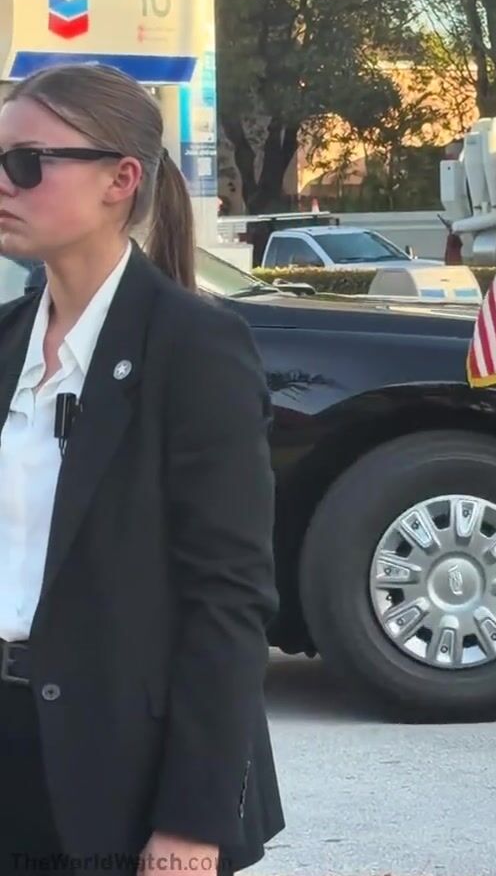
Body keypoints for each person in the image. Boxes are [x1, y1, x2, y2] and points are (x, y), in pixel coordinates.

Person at [0, 63, 285, 874]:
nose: (4, 181)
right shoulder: (9, 339)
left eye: (27, 162)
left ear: (119, 181)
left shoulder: (193, 347)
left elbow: (228, 599)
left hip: (123, 769)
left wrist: (193, 821)